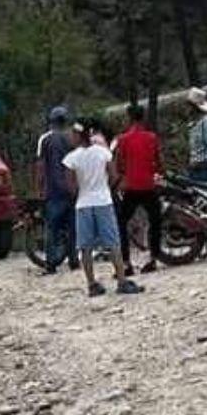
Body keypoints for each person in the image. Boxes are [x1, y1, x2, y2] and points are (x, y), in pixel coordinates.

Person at [62, 122, 142, 297]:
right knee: (113, 243)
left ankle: (92, 284)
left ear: (78, 135)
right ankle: (122, 280)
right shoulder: (103, 153)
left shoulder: (71, 158)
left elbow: (71, 187)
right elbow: (113, 177)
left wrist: (79, 191)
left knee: (85, 247)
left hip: (83, 204)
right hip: (103, 201)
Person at [114, 103, 164, 276]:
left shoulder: (123, 139)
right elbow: (158, 162)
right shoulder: (152, 137)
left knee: (121, 221)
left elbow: (120, 164)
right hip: (149, 185)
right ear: (143, 118)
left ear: (129, 118)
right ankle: (153, 258)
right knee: (155, 220)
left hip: (132, 186)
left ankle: (126, 263)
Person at [35, 106, 77, 274]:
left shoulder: (45, 140)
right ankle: (74, 260)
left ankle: (51, 264)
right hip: (70, 189)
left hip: (53, 190)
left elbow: (40, 166)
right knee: (73, 227)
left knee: (52, 229)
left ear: (51, 121)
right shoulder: (71, 139)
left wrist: (39, 188)